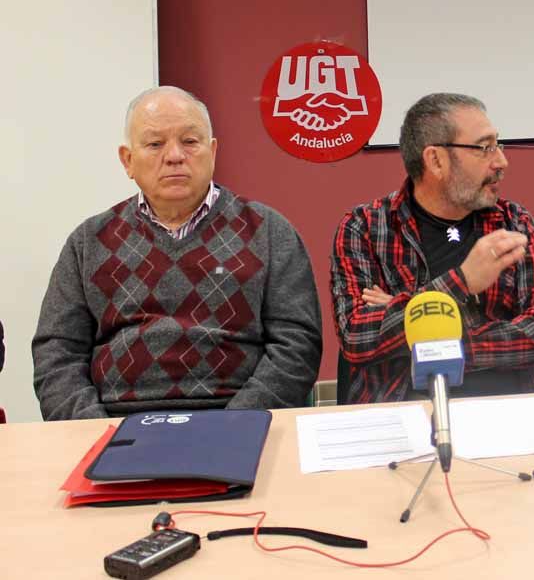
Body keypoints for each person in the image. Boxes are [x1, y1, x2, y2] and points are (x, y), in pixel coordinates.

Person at [33, 86, 322, 420]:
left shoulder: (270, 231)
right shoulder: (88, 242)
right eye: (155, 144)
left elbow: (298, 347)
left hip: (238, 422)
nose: (174, 156)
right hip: (115, 424)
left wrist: (234, 425)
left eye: (190, 141)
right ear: (128, 160)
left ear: (212, 152)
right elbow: (56, 353)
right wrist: (94, 432)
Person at [329, 93, 534, 403]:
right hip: (404, 406)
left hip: (509, 405)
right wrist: (462, 282)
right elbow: (358, 338)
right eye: (484, 148)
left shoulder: (513, 222)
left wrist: (416, 320)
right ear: (435, 160)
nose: (501, 161)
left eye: (498, 145)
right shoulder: (365, 228)